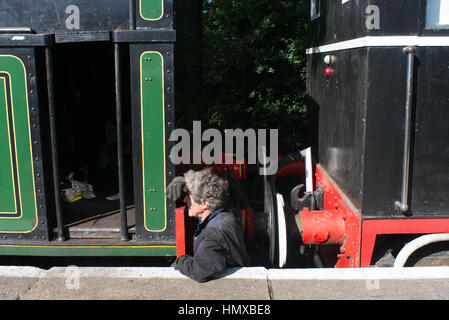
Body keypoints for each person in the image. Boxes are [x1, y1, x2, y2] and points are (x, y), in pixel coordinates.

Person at [166, 168, 250, 283]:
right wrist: (184, 179)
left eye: (189, 196)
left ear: (205, 203)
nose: (185, 200)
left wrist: (180, 261)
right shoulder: (225, 207)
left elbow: (199, 270)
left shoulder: (215, 233)